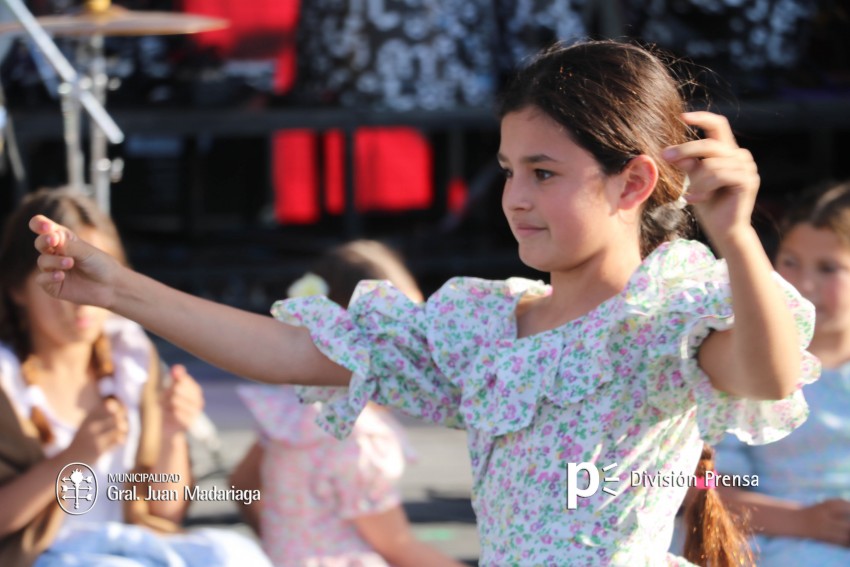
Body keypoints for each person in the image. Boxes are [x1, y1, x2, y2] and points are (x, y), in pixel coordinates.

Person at [28, 40, 819, 566]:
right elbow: (288, 351)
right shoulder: (481, 323)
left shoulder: (671, 308)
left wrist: (737, 238)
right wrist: (122, 290)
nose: (514, 196)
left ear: (634, 181)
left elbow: (766, 375)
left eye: (543, 172)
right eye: (508, 169)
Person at [0, 188, 271, 567]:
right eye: (58, 279)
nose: (78, 300)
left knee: (236, 554)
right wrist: (73, 459)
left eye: (87, 277)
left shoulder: (131, 355)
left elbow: (164, 515)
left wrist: (172, 431)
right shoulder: (6, 380)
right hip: (46, 554)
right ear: (16, 287)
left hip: (131, 542)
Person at [229, 239, 467, 566]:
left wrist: (280, 544)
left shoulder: (292, 409)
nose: (424, 344)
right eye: (407, 332)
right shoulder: (357, 436)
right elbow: (397, 547)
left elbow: (242, 483)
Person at [713, 180, 850, 566]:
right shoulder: (743, 364)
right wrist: (800, 521)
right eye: (790, 261)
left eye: (829, 269)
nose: (805, 285)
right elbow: (702, 484)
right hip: (769, 546)